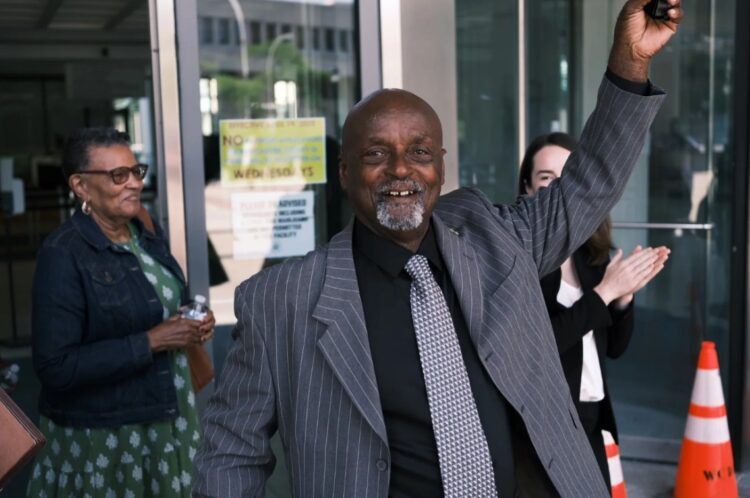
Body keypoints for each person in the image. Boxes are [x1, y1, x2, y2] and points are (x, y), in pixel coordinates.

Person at [194, 1, 683, 496]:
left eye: (420, 152)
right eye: (376, 153)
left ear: (441, 167)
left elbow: (588, 183)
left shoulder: (497, 240)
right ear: (344, 172)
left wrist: (630, 62)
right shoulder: (282, 301)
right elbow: (231, 453)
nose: (400, 169)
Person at [28, 128, 215, 497]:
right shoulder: (63, 254)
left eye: (136, 171)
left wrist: (192, 321)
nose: (134, 183)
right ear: (81, 186)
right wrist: (152, 341)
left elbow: (160, 301)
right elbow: (55, 367)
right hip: (108, 436)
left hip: (168, 421)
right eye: (118, 175)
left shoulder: (144, 230)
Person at [518, 132, 669, 488]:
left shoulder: (592, 254)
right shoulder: (519, 259)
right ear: (527, 187)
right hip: (542, 420)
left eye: (568, 177)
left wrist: (623, 298)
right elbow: (534, 349)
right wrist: (603, 295)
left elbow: (614, 348)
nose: (558, 188)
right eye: (546, 178)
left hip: (590, 415)